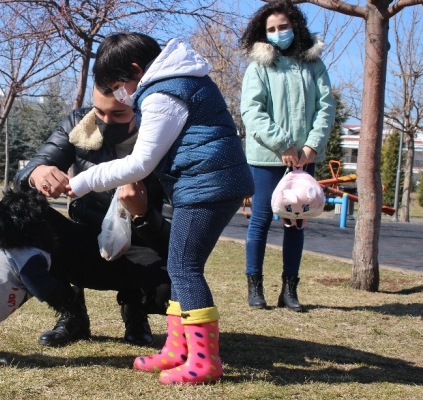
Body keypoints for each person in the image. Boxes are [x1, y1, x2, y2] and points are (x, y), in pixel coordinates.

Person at [66, 33, 254, 385]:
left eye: (118, 86)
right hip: (207, 181)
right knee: (180, 265)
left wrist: (83, 181)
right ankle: (178, 349)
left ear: (136, 70)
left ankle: (204, 360)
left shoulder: (163, 92)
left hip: (207, 184)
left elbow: (140, 163)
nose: (121, 95)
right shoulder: (180, 80)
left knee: (184, 266)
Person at [14, 85, 173, 348]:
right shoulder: (79, 124)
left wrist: (143, 213)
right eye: (99, 111)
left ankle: (135, 308)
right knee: (27, 220)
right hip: (87, 236)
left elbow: (176, 236)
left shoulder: (166, 136)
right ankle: (72, 313)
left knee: (171, 282)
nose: (106, 122)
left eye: (119, 113)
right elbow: (27, 172)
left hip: (143, 244)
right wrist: (36, 174)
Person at [240, 0, 335, 312]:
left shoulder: (314, 64)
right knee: (262, 220)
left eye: (283, 26)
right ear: (262, 33)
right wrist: (283, 145)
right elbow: (252, 112)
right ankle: (255, 287)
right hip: (267, 158)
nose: (278, 33)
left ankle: (289, 290)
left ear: (295, 26)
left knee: (296, 221)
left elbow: (326, 108)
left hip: (305, 159)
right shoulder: (259, 67)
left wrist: (310, 147)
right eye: (271, 29)